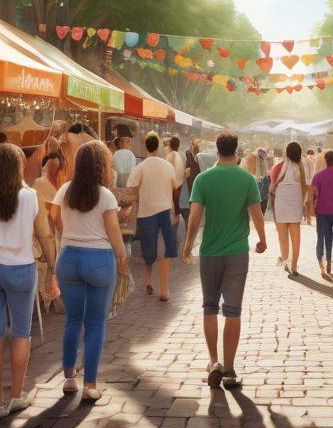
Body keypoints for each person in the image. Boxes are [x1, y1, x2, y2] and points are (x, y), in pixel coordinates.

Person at [0, 144, 57, 419]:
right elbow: (44, 235)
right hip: (22, 271)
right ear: (18, 166)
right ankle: (16, 395)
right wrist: (52, 267)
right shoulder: (30, 196)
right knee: (21, 333)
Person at [182, 131, 267, 391]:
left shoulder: (203, 179)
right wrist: (262, 240)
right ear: (237, 151)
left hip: (210, 252)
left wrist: (187, 246)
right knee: (233, 311)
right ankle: (229, 370)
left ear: (217, 151)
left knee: (209, 307)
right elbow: (257, 213)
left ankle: (213, 361)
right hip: (237, 252)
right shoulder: (247, 179)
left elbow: (195, 218)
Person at [51, 140, 128, 403]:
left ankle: (70, 377)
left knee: (73, 320)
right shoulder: (105, 195)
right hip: (98, 259)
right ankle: (90, 384)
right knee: (95, 324)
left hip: (68, 258)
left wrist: (68, 235)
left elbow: (54, 217)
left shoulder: (65, 190)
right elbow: (113, 230)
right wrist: (122, 256)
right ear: (102, 165)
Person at [129, 132, 180, 302]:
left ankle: (149, 280)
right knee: (164, 249)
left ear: (146, 146)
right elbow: (175, 187)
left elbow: (132, 189)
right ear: (157, 147)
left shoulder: (140, 167)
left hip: (146, 211)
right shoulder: (167, 165)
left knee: (148, 249)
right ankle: (164, 288)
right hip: (165, 209)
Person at [269, 141, 309, 277]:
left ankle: (286, 260)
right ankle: (294, 267)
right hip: (296, 202)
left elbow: (272, 186)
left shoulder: (278, 165)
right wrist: (303, 204)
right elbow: (304, 186)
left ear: (287, 152)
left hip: (281, 203)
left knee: (282, 237)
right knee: (296, 237)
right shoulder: (301, 166)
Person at [309, 150, 333, 278]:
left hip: (322, 210)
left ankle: (322, 258)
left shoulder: (318, 176)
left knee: (322, 236)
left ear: (325, 160)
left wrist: (310, 208)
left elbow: (313, 193)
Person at [33, 152, 65, 312]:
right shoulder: (39, 182)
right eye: (51, 165)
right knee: (45, 266)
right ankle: (42, 299)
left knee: (55, 265)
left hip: (59, 231)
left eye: (57, 166)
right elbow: (39, 208)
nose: (55, 169)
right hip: (45, 231)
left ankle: (53, 299)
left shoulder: (62, 182)